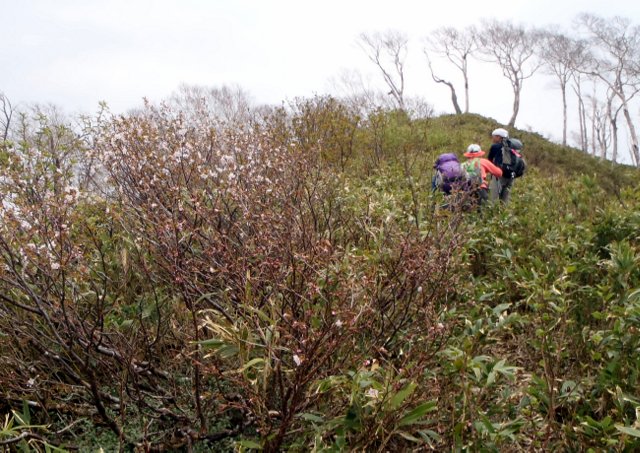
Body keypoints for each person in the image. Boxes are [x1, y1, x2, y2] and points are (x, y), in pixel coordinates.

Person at [462, 143, 503, 208]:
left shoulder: (463, 165)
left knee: (469, 210)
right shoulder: (483, 161)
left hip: (465, 190)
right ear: (480, 153)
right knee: (483, 210)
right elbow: (499, 173)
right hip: (480, 188)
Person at [487, 127, 514, 203]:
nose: (493, 138)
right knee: (505, 199)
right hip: (511, 176)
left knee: (494, 198)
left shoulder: (495, 147)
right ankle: (503, 213)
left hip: (498, 174)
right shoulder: (512, 147)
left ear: (499, 137)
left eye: (494, 136)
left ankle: (493, 214)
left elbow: (489, 161)